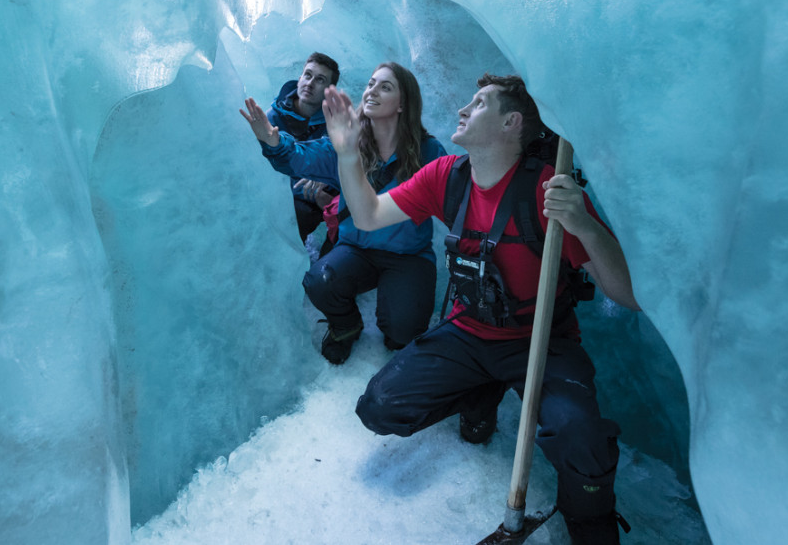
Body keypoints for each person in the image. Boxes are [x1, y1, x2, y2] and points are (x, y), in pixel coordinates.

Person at [321, 74, 640, 545]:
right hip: (466, 334)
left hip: (539, 342)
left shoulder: (549, 191)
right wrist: (348, 155)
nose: (462, 110)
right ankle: (480, 394)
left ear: (512, 123)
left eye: (479, 103)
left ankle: (590, 522)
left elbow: (627, 294)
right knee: (379, 407)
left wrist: (585, 227)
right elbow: (368, 216)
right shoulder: (447, 176)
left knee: (580, 438)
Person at [239, 62, 447, 363]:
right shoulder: (347, 144)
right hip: (358, 249)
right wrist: (272, 140)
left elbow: (456, 193)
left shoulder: (428, 152)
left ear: (403, 104)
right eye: (371, 84)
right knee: (320, 281)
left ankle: (397, 325)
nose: (372, 90)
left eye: (385, 87)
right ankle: (346, 325)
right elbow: (300, 157)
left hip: (408, 255)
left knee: (403, 332)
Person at [264, 52, 341, 241]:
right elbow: (268, 173)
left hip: (330, 196)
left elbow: (351, 160)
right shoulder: (273, 119)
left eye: (320, 79)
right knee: (294, 216)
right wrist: (316, 195)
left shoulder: (335, 120)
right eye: (307, 75)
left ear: (329, 90)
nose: (310, 83)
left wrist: (326, 178)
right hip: (292, 199)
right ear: (299, 79)